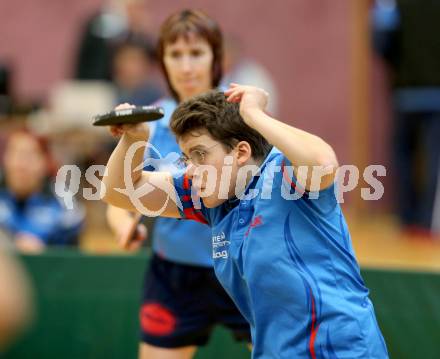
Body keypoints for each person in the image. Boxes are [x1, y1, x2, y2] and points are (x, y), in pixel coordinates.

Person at [102, 83, 389, 358]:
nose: (191, 170)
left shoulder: (285, 174)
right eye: (187, 158)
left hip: (342, 350)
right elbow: (118, 192)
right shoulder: (210, 199)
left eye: (200, 155)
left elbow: (323, 163)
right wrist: (135, 140)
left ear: (240, 152)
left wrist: (255, 115)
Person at [106, 10, 250, 359]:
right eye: (176, 54)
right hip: (174, 275)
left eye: (196, 53)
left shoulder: (245, 115)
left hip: (242, 270)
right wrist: (124, 224)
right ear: (163, 62)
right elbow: (119, 195)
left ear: (216, 57)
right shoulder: (148, 121)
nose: (186, 67)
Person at [0, 130, 84, 253]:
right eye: (16, 154)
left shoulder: (63, 199)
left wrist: (45, 250)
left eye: (29, 156)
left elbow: (71, 249)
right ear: (5, 159)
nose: (22, 165)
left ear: (45, 162)